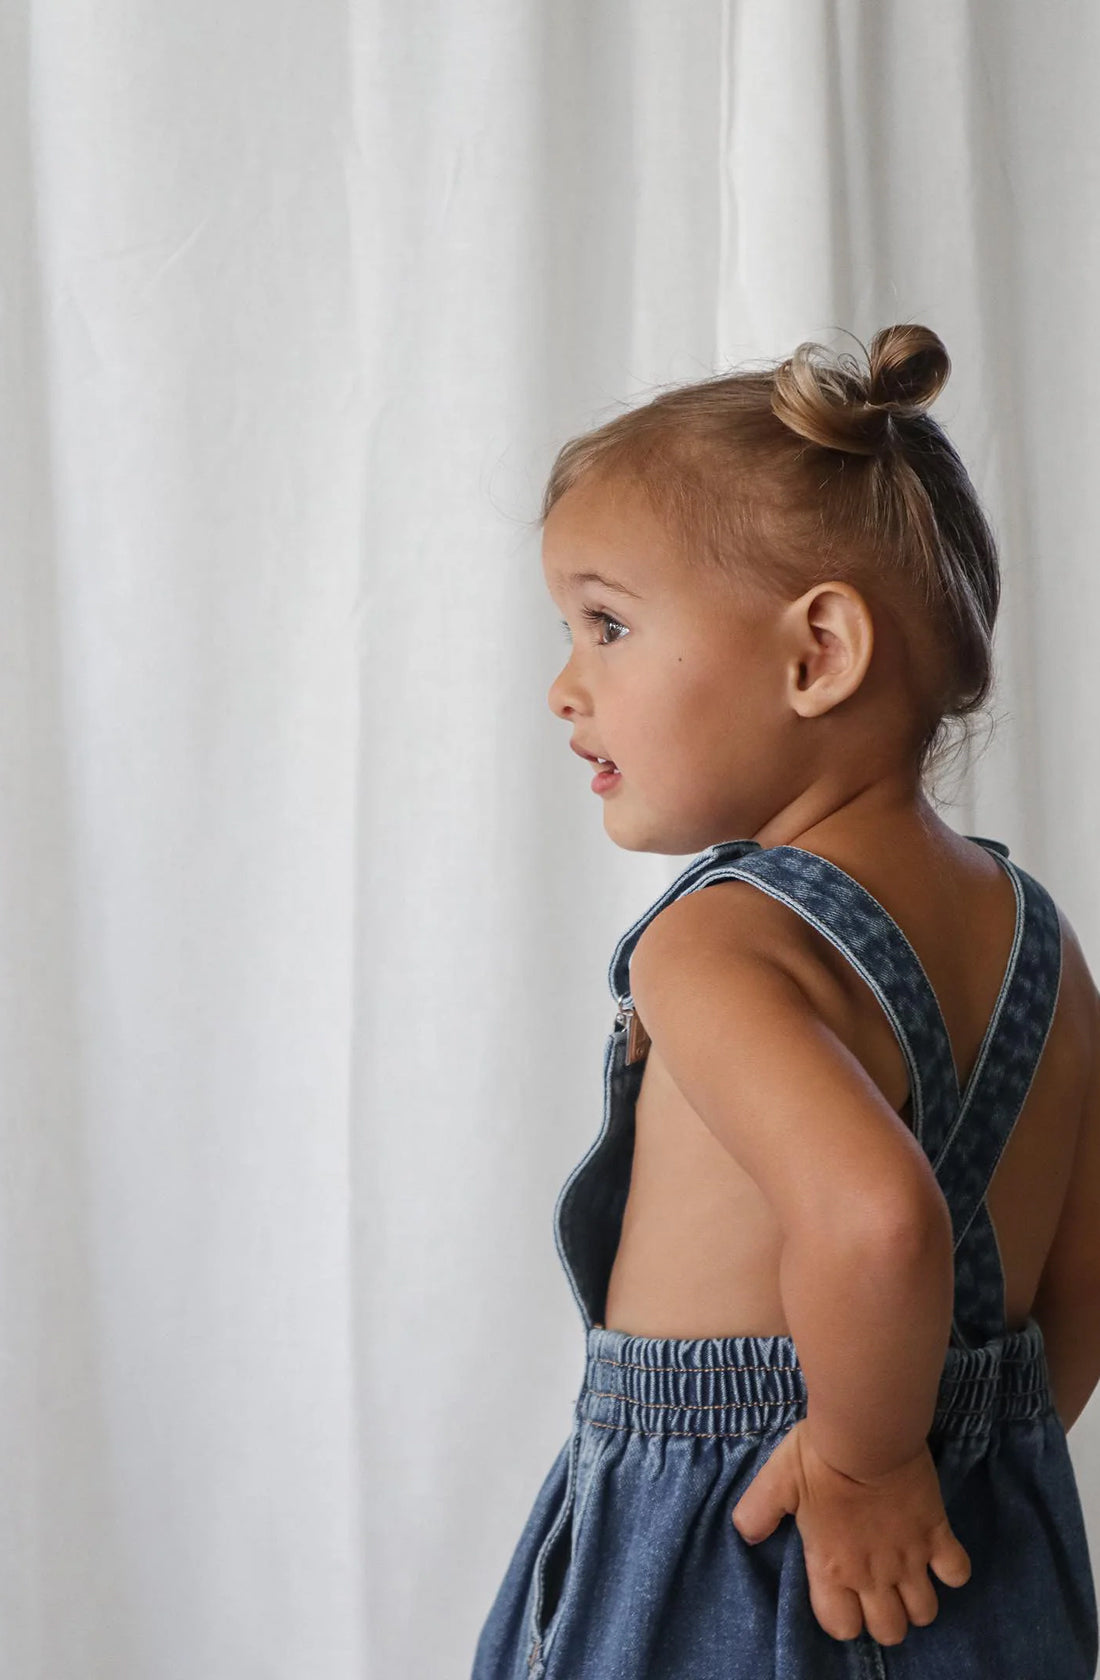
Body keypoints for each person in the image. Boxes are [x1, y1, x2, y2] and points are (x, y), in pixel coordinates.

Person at [470, 324, 1100, 1678]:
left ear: (818, 650)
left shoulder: (719, 946)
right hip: (981, 1549)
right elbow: (1086, 1274)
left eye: (610, 623)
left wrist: (867, 1466)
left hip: (745, 1549)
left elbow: (877, 1223)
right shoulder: (1038, 941)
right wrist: (951, 1458)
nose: (566, 686)